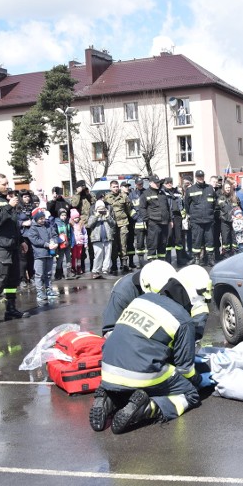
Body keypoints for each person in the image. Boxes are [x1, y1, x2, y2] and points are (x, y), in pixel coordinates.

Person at [91, 269, 203, 433]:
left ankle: (111, 398)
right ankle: (148, 408)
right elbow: (185, 369)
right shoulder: (183, 319)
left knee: (141, 374)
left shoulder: (141, 299)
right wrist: (198, 379)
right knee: (190, 394)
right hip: (139, 372)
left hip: (108, 369)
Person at [0, 173, 30, 327]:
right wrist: (9, 207)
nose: (7, 186)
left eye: (7, 183)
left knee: (13, 278)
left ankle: (11, 308)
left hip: (12, 244)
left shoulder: (5, 201)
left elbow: (13, 225)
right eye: (3, 183)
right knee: (0, 277)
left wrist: (21, 240)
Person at [25, 208, 59, 304]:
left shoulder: (48, 225)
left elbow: (54, 234)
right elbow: (35, 240)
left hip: (49, 253)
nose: (43, 220)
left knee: (48, 273)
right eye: (40, 219)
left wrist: (55, 242)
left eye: (43, 218)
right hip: (39, 254)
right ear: (36, 219)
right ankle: (40, 292)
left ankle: (48, 290)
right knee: (39, 274)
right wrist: (47, 244)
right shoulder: (33, 228)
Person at [184, 169, 217, 266]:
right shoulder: (190, 189)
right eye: (199, 177)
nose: (201, 178)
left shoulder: (210, 188)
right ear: (196, 178)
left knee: (210, 240)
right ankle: (196, 259)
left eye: (202, 176)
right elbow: (186, 205)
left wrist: (210, 212)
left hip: (209, 220)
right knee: (196, 241)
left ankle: (210, 259)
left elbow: (214, 203)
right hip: (196, 220)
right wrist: (193, 214)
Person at [104, 180, 133, 274]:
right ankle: (114, 265)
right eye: (113, 187)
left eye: (117, 186)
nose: (116, 188)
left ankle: (124, 264)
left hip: (123, 222)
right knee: (114, 245)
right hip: (112, 224)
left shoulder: (124, 196)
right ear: (110, 188)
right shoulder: (107, 197)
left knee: (123, 244)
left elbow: (129, 209)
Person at [88, 199, 115, 279]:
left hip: (108, 237)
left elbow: (113, 224)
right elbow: (89, 224)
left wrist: (107, 216)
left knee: (107, 254)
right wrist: (96, 216)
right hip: (97, 238)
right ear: (96, 209)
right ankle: (96, 270)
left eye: (102, 208)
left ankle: (105, 269)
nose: (101, 210)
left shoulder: (107, 214)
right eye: (99, 209)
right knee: (98, 254)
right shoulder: (93, 215)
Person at [217, 179, 240, 258]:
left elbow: (239, 208)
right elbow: (218, 209)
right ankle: (225, 253)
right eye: (226, 187)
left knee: (234, 237)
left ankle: (235, 251)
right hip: (224, 221)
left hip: (234, 221)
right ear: (223, 189)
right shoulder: (220, 198)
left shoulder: (235, 198)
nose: (228, 189)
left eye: (229, 187)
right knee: (225, 238)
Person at [69, 208, 88, 277]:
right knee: (74, 256)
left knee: (79, 256)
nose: (76, 219)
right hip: (74, 243)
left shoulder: (81, 224)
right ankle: (73, 268)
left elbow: (85, 233)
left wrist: (85, 242)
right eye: (75, 218)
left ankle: (79, 267)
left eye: (77, 217)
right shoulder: (71, 225)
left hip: (80, 243)